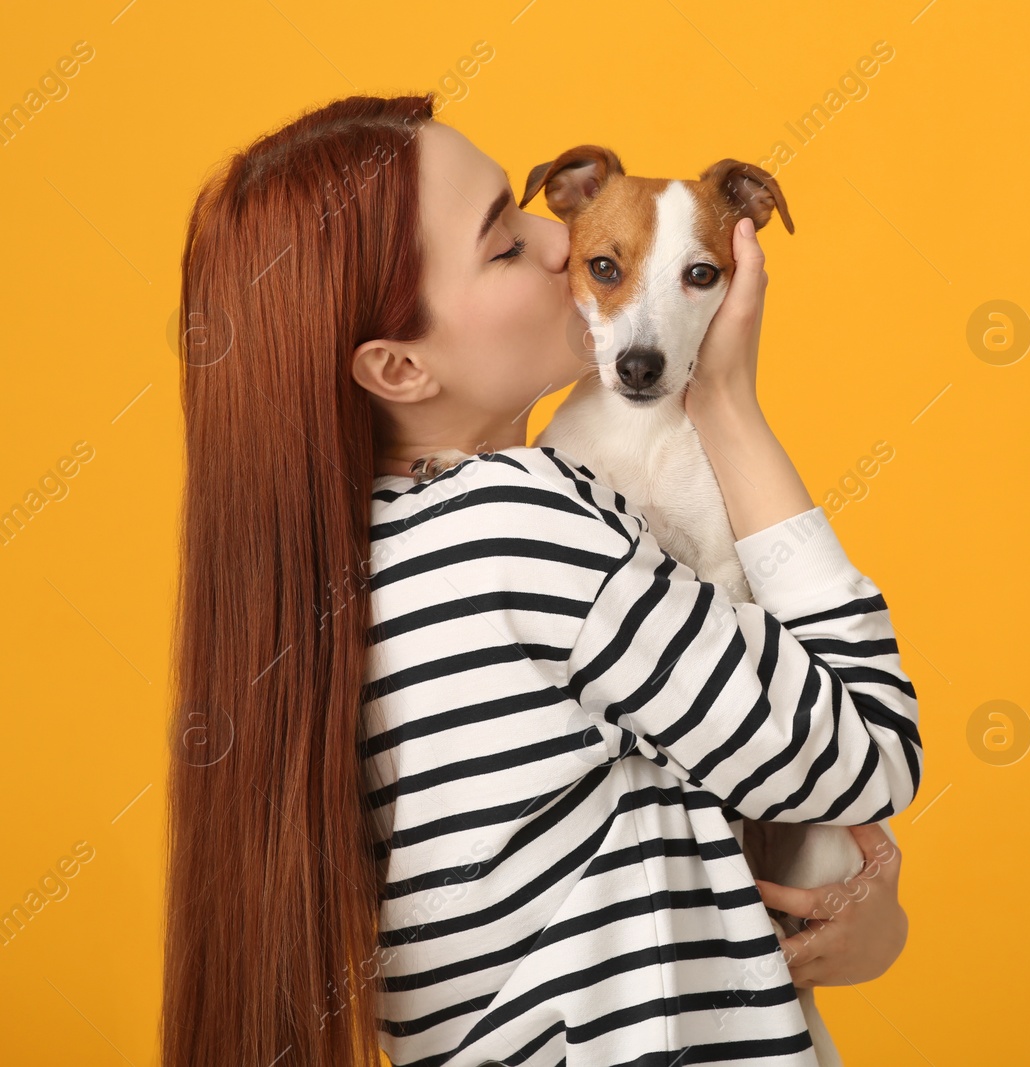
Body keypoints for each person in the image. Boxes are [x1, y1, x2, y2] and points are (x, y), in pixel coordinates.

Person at [163, 92, 922, 1067]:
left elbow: (619, 852)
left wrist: (835, 927)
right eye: (503, 241)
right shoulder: (519, 523)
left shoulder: (373, 557)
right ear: (396, 366)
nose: (559, 242)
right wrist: (729, 403)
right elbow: (873, 754)